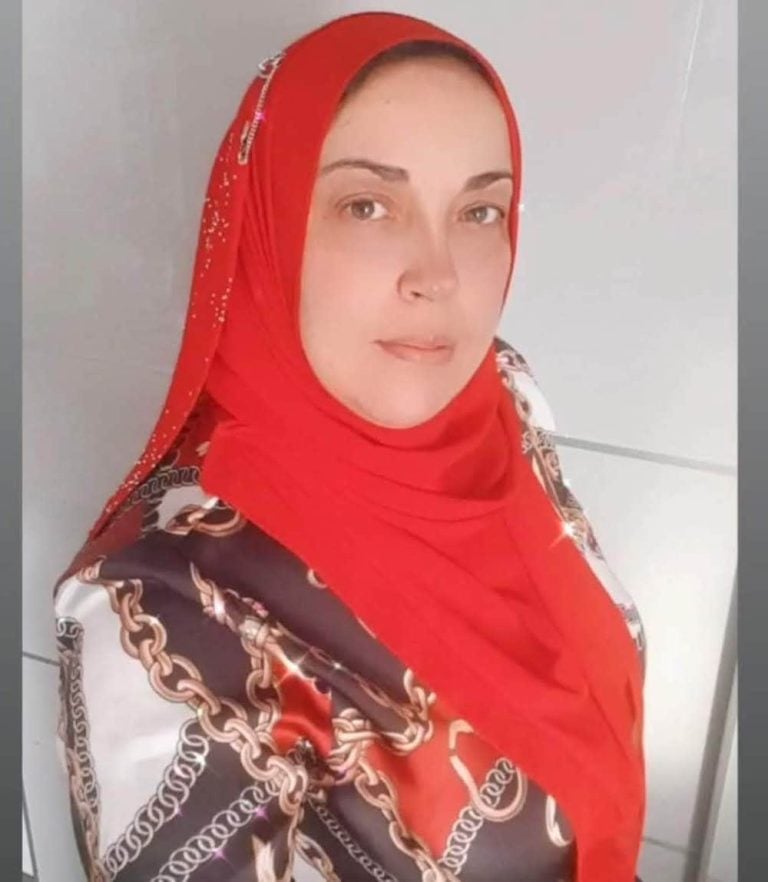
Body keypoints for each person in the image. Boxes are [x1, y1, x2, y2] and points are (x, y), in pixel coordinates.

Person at [53, 11, 647, 882]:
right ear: (267, 223)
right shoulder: (166, 611)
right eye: (368, 206)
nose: (438, 276)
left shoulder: (500, 402)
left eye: (478, 210)